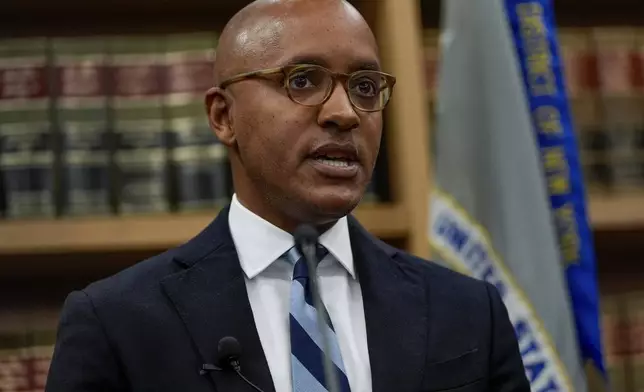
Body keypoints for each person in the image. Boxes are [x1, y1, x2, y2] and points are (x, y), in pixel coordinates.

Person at [45, 0, 531, 391]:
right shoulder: (118, 323)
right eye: (302, 80)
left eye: (365, 87)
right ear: (223, 116)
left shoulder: (469, 312)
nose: (344, 113)